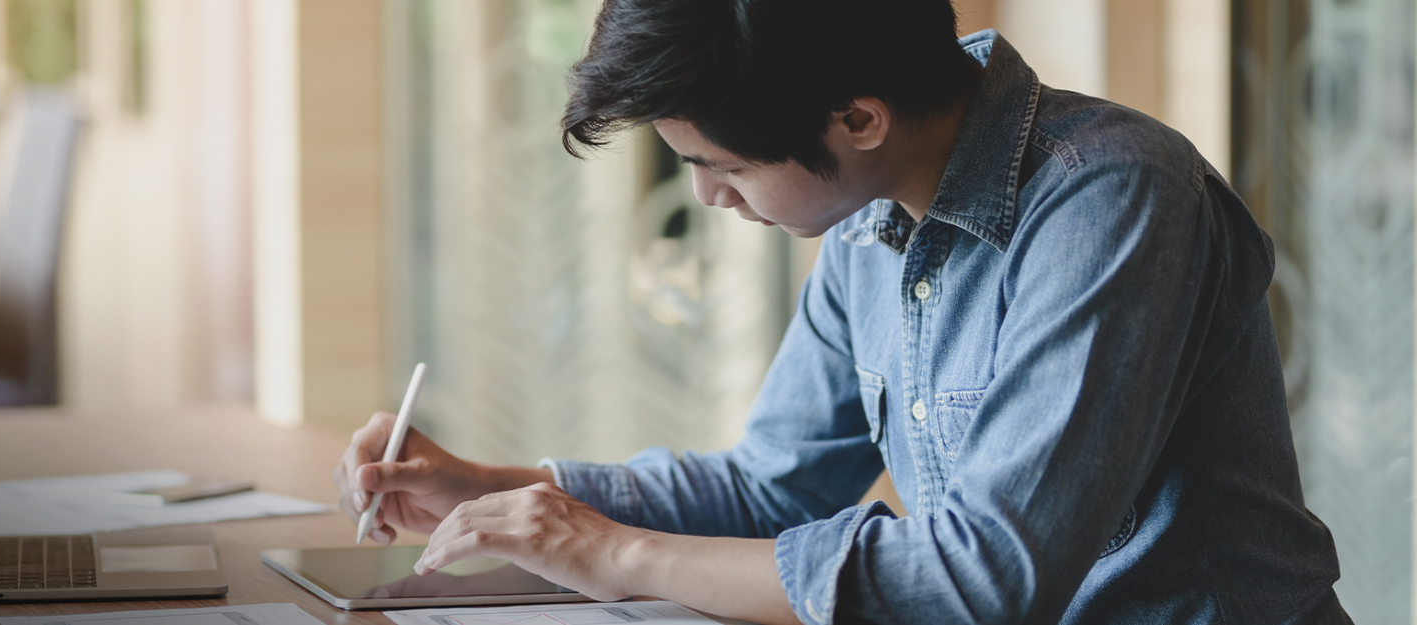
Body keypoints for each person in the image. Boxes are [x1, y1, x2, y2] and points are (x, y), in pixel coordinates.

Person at [335, 1, 1350, 623]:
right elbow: (771, 487)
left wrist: (606, 551)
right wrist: (496, 489)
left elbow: (983, 583)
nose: (707, 199)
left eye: (721, 165)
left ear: (858, 118)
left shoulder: (1113, 195)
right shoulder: (872, 219)